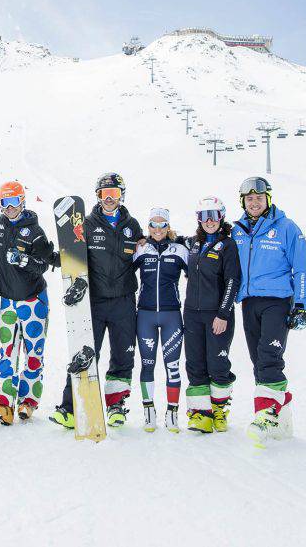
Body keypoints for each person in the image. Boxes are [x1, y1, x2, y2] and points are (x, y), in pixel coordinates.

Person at [51, 172, 143, 430]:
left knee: (123, 355)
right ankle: (70, 408)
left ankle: (116, 405)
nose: (109, 199)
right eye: (105, 194)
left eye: (114, 193)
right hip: (95, 301)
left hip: (124, 300)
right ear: (98, 196)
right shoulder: (87, 224)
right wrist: (55, 255)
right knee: (85, 353)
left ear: (122, 195)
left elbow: (143, 252)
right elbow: (72, 255)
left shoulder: (132, 226)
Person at [231, 177, 306, 446]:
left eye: (259, 198)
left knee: (269, 356)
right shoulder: (238, 231)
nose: (254, 203)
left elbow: (302, 267)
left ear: (268, 199)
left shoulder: (287, 228)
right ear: (243, 202)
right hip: (249, 302)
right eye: (249, 199)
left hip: (277, 302)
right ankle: (283, 414)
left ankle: (266, 415)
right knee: (259, 361)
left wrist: (301, 306)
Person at [0, 180, 55, 426]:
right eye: (5, 203)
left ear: (22, 202)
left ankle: (28, 401)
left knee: (33, 354)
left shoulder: (35, 230)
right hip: (7, 302)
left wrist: (24, 260)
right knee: (6, 354)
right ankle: (4, 403)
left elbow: (44, 265)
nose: (9, 207)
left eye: (13, 202)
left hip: (33, 301)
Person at [182, 196, 241, 434]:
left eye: (213, 215)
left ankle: (218, 409)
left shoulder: (228, 245)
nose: (209, 221)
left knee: (217, 364)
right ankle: (200, 413)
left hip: (217, 316)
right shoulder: (194, 244)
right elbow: (172, 240)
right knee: (195, 364)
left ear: (221, 217)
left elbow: (232, 281)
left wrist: (223, 314)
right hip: (192, 314)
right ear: (198, 219)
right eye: (204, 216)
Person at [132, 207, 189, 433]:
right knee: (147, 365)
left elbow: (198, 273)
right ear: (148, 227)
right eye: (153, 225)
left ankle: (172, 412)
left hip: (171, 315)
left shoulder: (179, 250)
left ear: (168, 227)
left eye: (162, 224)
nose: (157, 229)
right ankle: (149, 411)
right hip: (145, 314)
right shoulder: (141, 249)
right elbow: (122, 270)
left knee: (172, 367)